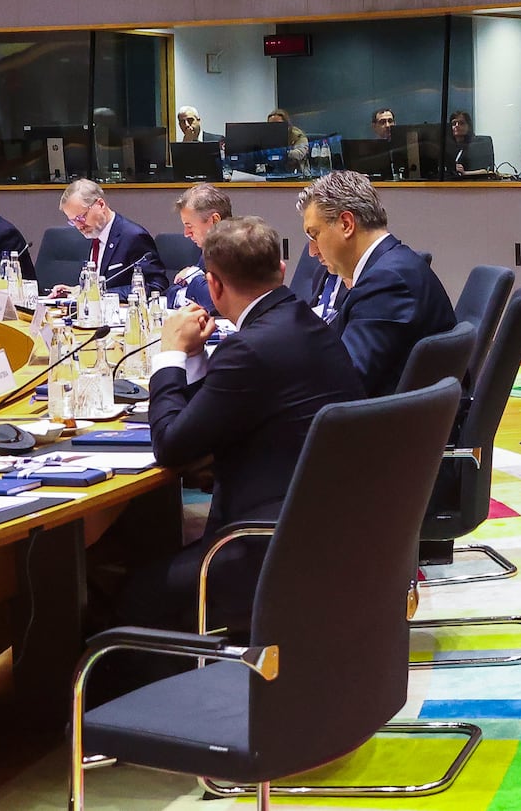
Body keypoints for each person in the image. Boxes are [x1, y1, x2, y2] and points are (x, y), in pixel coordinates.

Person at [113, 217, 365, 633]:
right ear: (281, 270)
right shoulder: (306, 323)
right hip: (329, 532)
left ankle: (167, 692)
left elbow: (172, 445)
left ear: (212, 285)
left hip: (269, 547)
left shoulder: (248, 349)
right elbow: (211, 417)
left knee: (136, 592)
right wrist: (195, 358)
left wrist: (170, 354)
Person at [297, 171, 455, 397]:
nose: (312, 251)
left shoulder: (387, 282)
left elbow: (346, 380)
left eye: (314, 234)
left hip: (394, 426)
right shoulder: (390, 266)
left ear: (346, 224)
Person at [55, 179, 168, 295]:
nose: (79, 226)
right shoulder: (92, 235)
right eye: (73, 221)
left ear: (100, 204)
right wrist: (77, 291)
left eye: (81, 217)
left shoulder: (133, 237)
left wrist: (104, 294)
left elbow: (156, 285)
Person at [174, 183, 230, 313]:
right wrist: (188, 292)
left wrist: (192, 276)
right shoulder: (210, 249)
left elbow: (216, 303)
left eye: (190, 226)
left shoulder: (238, 250)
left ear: (215, 220)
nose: (186, 234)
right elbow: (172, 292)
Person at [448, 111, 495, 178]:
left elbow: (486, 171)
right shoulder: (447, 147)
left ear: (469, 126)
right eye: (454, 123)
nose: (457, 126)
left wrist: (464, 173)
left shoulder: (478, 144)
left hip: (473, 184)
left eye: (461, 123)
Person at [268, 108, 311, 176]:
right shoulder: (266, 136)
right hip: (271, 173)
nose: (274, 127)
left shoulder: (298, 135)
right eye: (271, 125)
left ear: (287, 125)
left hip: (296, 173)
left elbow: (299, 154)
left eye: (278, 124)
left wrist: (283, 152)